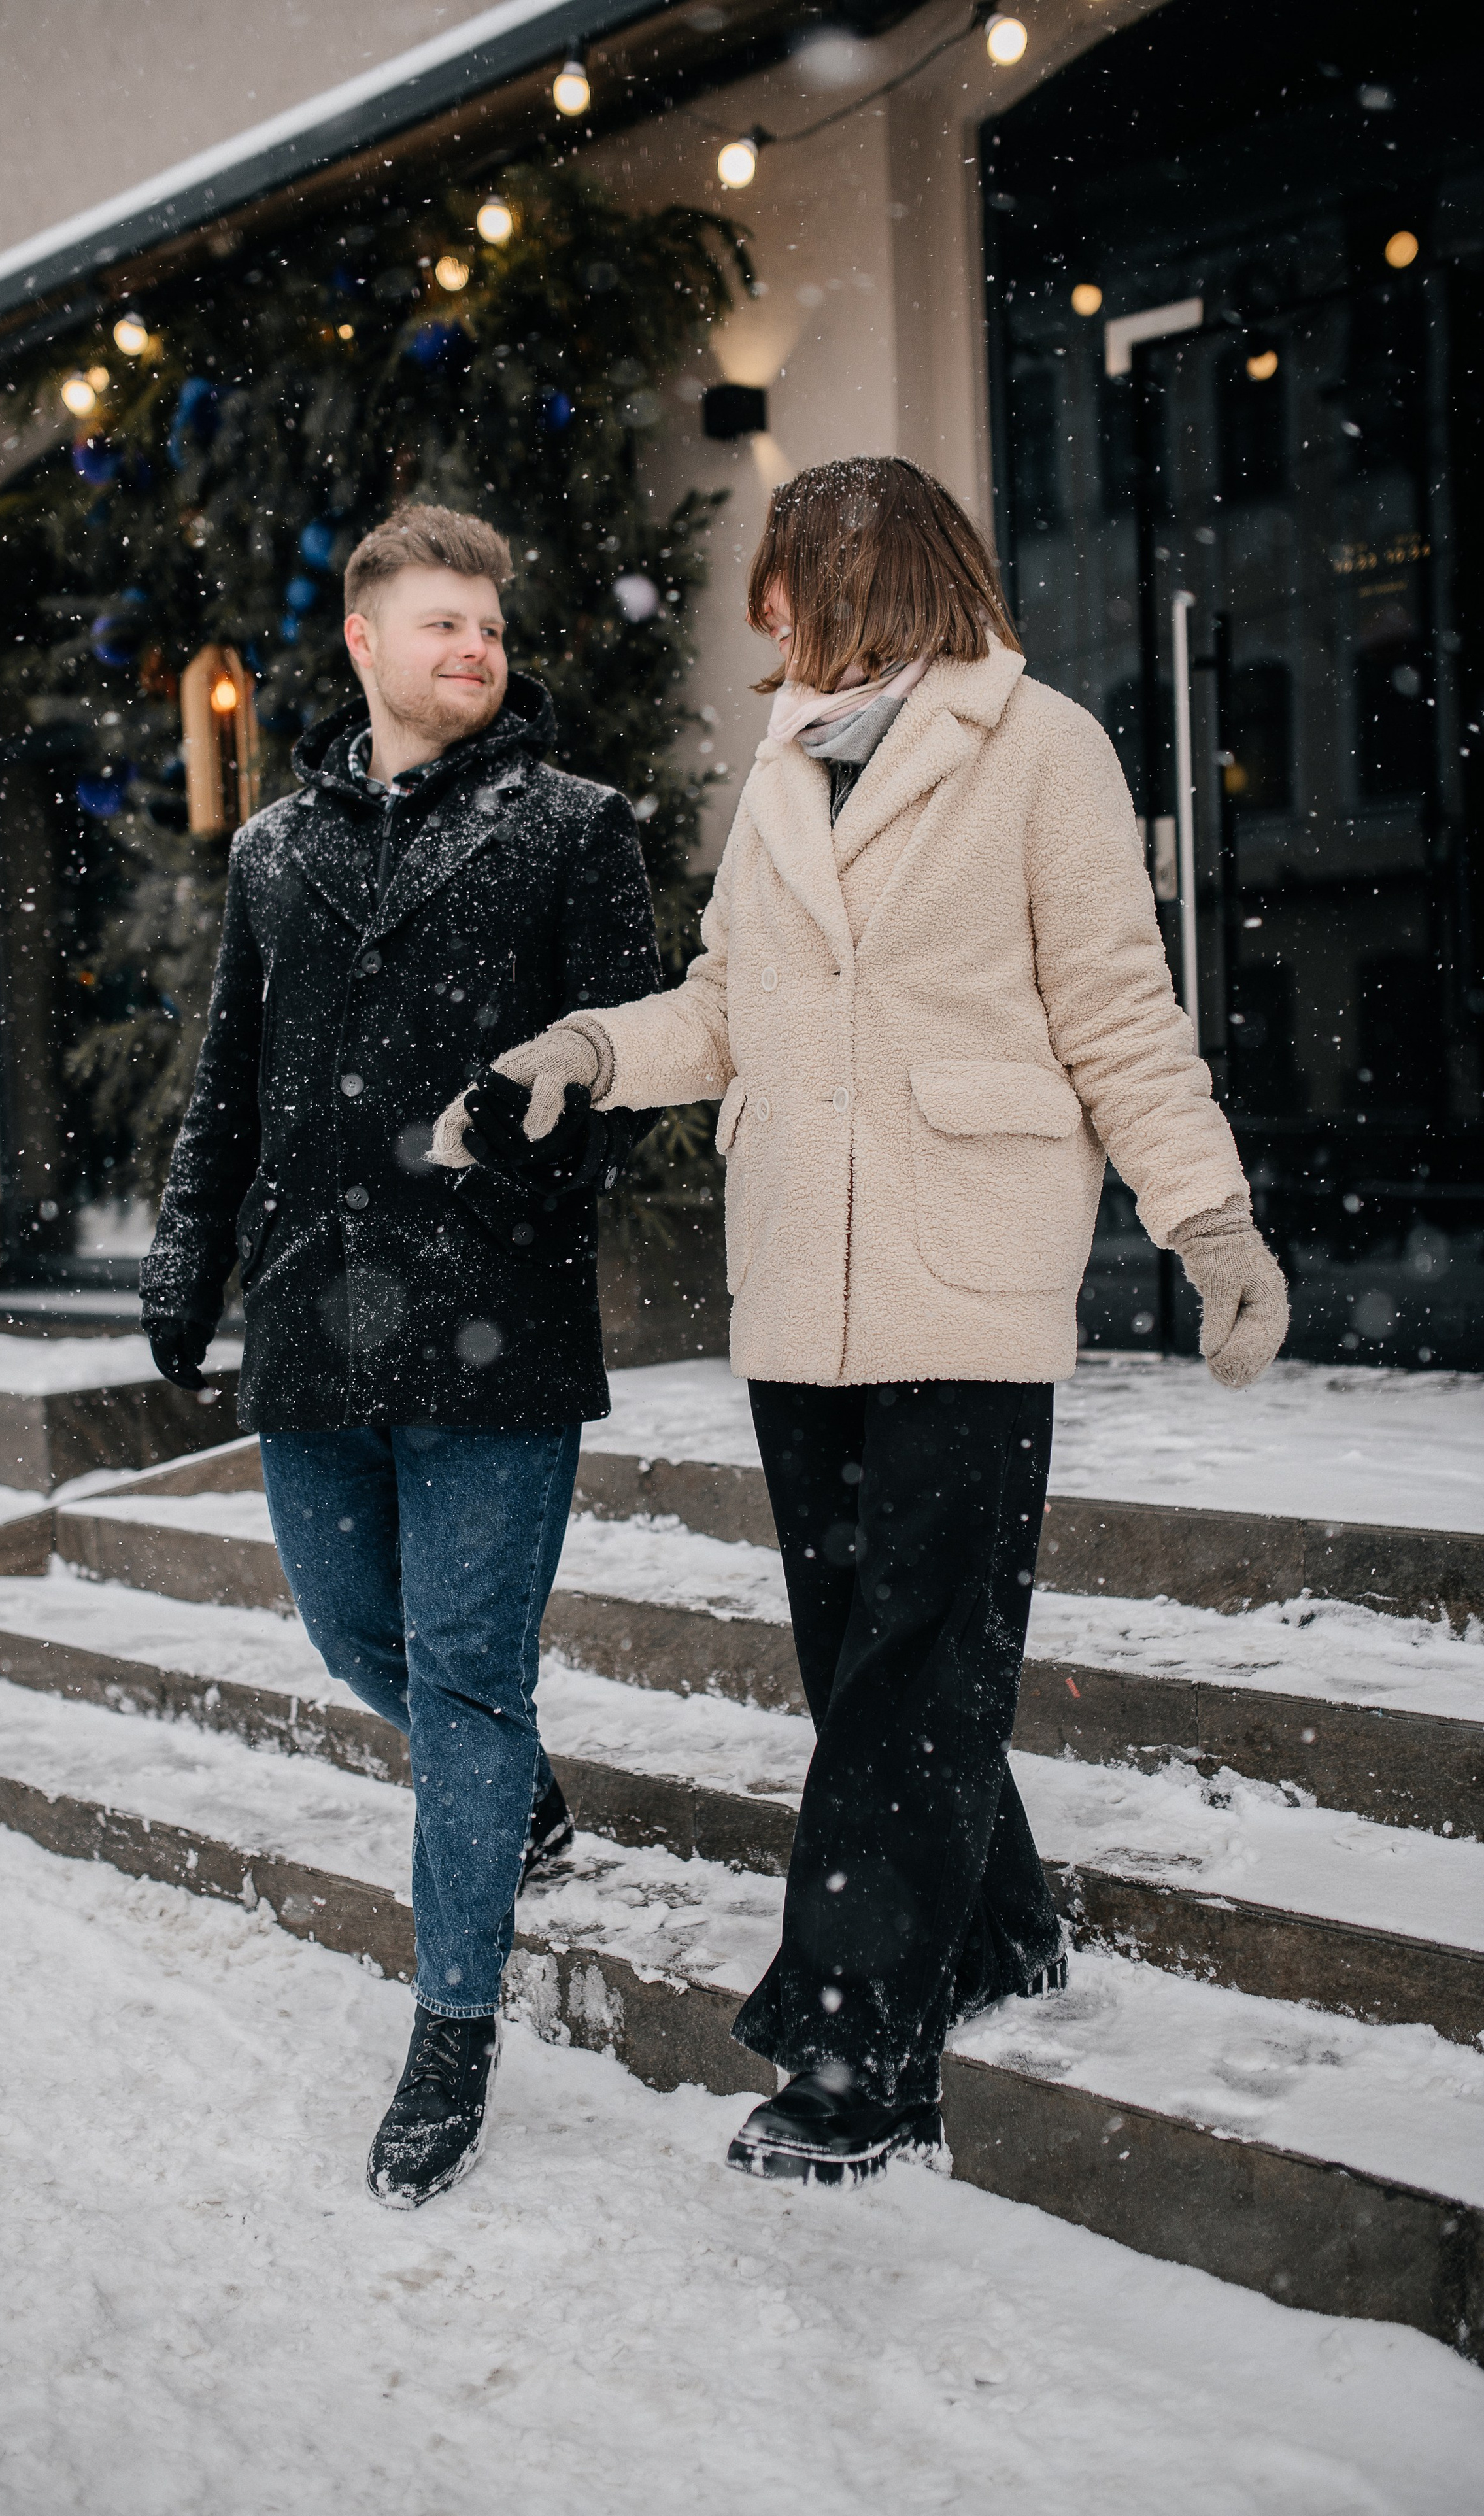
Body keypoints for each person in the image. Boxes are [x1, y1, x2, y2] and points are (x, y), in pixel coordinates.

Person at [434, 456, 1287, 2186]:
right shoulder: (787, 769)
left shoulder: (1039, 751)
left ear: (855, 577)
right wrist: (590, 1051)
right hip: (802, 1289)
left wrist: (1210, 1219)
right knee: (870, 1656)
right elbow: (729, 1007)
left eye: (784, 595)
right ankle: (997, 1931)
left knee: (919, 1655)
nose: (766, 629)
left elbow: (1118, 1014)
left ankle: (861, 2049)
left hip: (964, 1266)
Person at [143, 503, 660, 2207]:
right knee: (355, 1628)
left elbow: (636, 1065)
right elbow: (228, 1078)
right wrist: (185, 1251)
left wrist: (529, 1145)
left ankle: (452, 2026)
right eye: (439, 623)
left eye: (489, 626)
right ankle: (513, 1797)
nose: (474, 648)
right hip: (312, 1310)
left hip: (493, 1318)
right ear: (361, 643)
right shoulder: (274, 851)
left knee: (463, 1676)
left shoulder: (574, 829)